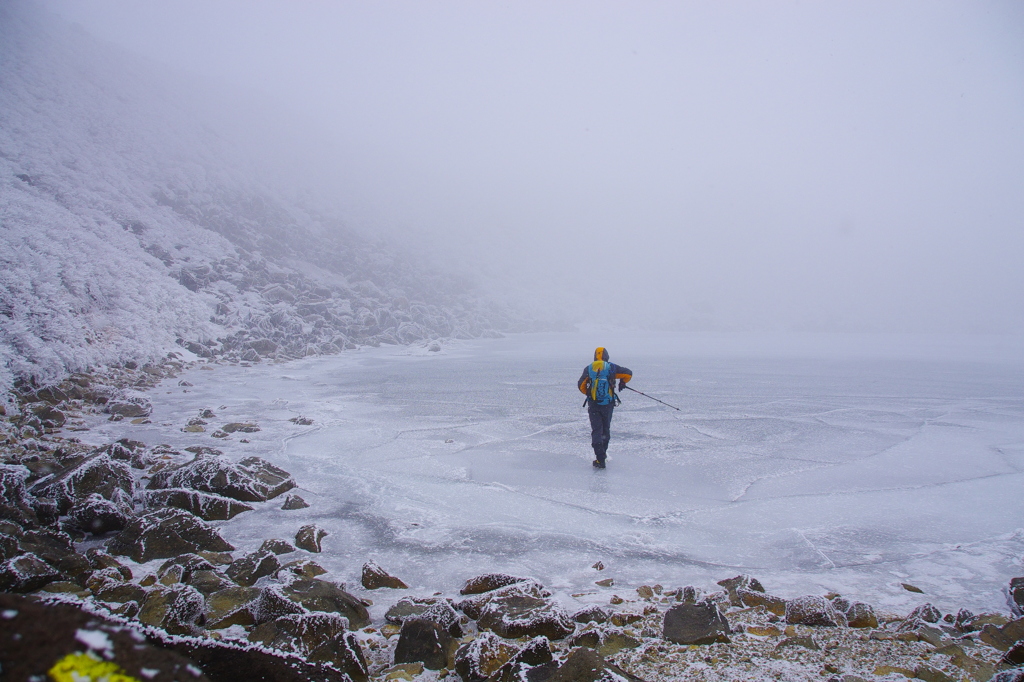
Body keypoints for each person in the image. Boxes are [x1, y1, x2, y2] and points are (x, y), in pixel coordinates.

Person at [577, 347, 632, 469]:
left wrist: (589, 394)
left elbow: (580, 385)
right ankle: (603, 455)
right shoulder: (611, 367)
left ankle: (599, 458)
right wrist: (623, 382)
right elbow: (628, 373)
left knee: (597, 430)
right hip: (608, 404)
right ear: (607, 356)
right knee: (605, 430)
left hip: (594, 404)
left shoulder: (589, 368)